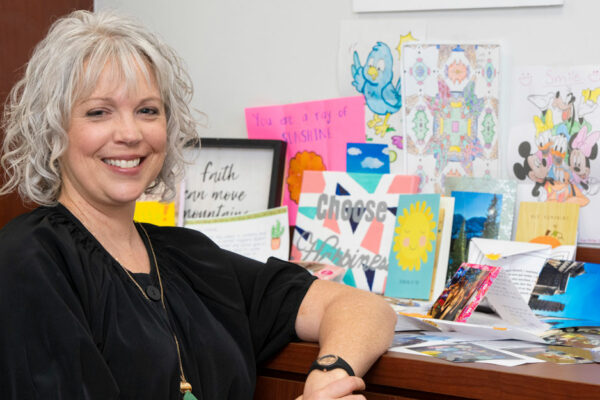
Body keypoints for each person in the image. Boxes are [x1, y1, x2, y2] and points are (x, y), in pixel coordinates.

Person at [0, 10, 396, 400]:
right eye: (99, 112)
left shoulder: (191, 258)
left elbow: (363, 308)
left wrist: (329, 378)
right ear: (53, 130)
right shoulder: (28, 259)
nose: (130, 133)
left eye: (147, 111)